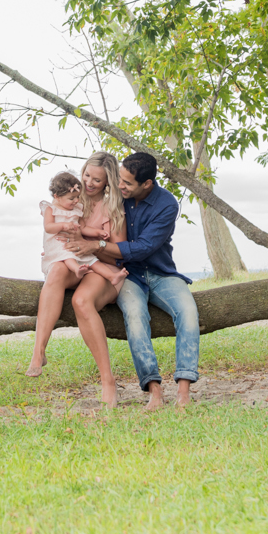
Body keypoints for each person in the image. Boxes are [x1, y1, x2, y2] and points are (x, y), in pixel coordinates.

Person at [62, 151, 200, 410]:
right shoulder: (116, 198)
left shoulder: (167, 205)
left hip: (162, 272)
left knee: (188, 312)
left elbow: (143, 247)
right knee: (135, 316)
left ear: (146, 184)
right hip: (130, 276)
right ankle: (154, 390)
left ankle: (183, 391)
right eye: (119, 180)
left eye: (126, 183)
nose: (120, 185)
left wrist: (96, 245)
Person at [24, 152, 128, 379]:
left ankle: (107, 379)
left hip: (101, 265)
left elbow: (120, 253)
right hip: (74, 263)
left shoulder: (112, 208)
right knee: (57, 271)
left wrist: (91, 245)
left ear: (108, 182)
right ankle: (38, 351)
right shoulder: (70, 197)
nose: (89, 182)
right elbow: (53, 228)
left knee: (80, 300)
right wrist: (57, 248)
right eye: (87, 175)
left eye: (97, 180)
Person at [38, 171, 128, 285]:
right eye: (72, 198)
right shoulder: (51, 209)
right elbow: (48, 228)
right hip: (60, 245)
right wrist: (63, 226)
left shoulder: (76, 209)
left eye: (77, 197)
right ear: (57, 197)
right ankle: (77, 269)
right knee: (68, 257)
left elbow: (83, 227)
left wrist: (97, 232)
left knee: (93, 261)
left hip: (76, 245)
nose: (76, 201)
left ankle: (112, 276)